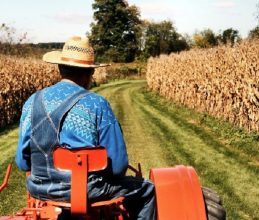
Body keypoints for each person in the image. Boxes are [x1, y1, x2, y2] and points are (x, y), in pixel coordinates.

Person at [15, 36, 156, 220]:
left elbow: (22, 162)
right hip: (88, 191)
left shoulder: (32, 102)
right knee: (147, 190)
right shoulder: (97, 105)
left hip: (39, 188)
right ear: (89, 73)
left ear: (60, 68)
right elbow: (118, 166)